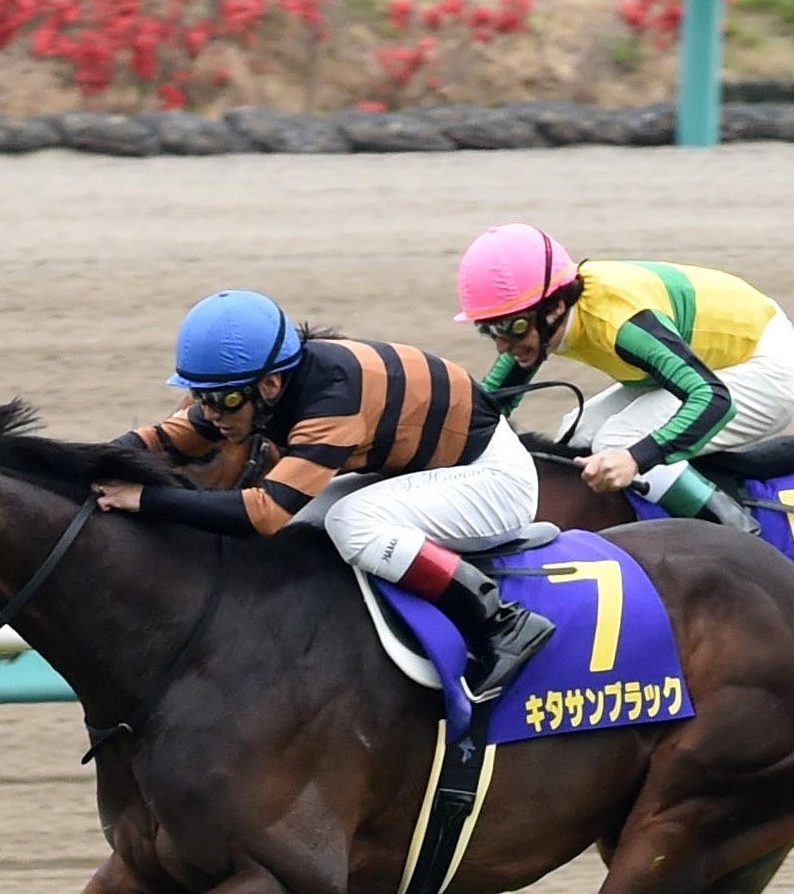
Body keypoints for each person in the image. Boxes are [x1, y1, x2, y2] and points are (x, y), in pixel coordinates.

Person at [99, 290, 554, 705]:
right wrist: (82, 463)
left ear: (270, 386)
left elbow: (264, 513)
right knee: (308, 522)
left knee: (349, 521)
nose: (211, 411)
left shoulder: (333, 401)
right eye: (202, 396)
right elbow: (167, 438)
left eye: (224, 400)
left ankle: (499, 621)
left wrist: (144, 499)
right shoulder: (258, 387)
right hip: (434, 470)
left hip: (493, 484)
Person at [454, 223, 794, 534]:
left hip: (765, 367)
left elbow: (713, 398)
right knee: (577, 432)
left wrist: (636, 459)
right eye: (489, 330)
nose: (502, 345)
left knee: (618, 440)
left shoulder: (619, 324)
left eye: (510, 327)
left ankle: (736, 533)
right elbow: (489, 404)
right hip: (709, 362)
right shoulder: (543, 319)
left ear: (556, 307)